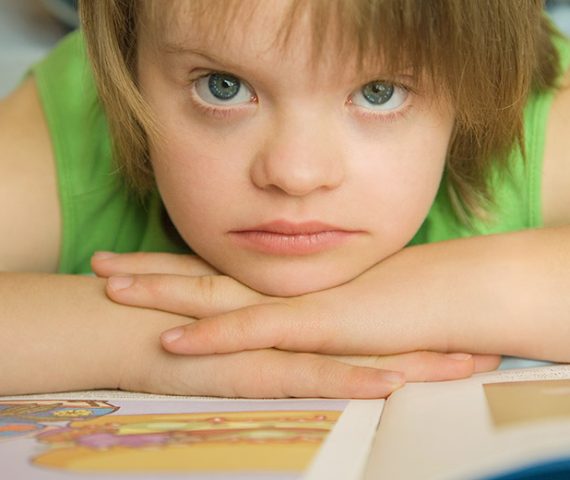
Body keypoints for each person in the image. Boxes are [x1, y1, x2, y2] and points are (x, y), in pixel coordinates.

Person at [1, 0, 567, 398]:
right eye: (222, 85)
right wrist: (149, 344)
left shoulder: (527, 111)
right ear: (126, 67)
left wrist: (444, 294)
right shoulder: (80, 113)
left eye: (379, 92)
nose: (296, 174)